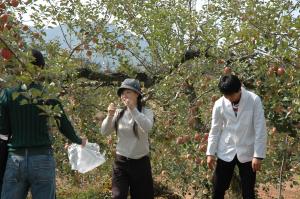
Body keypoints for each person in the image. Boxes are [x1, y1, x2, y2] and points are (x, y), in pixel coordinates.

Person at [0, 49, 86, 199]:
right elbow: (63, 124)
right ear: (41, 68)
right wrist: (79, 140)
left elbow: (3, 130)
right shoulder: (47, 96)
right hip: (42, 158)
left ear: (20, 67)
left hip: (16, 159)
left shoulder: (8, 95)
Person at [206, 74, 267, 199]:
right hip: (226, 149)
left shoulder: (254, 100)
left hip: (248, 150)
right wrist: (210, 153)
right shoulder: (219, 104)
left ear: (239, 89)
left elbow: (260, 128)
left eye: (230, 95)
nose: (228, 98)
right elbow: (215, 129)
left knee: (248, 192)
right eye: (225, 96)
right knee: (217, 188)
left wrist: (258, 155)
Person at [101, 78, 154, 199]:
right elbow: (104, 132)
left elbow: (147, 127)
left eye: (128, 92)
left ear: (137, 94)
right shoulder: (118, 113)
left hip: (141, 163)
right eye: (122, 93)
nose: (124, 95)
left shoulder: (147, 112)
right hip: (121, 163)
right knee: (118, 196)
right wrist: (109, 116)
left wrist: (133, 109)